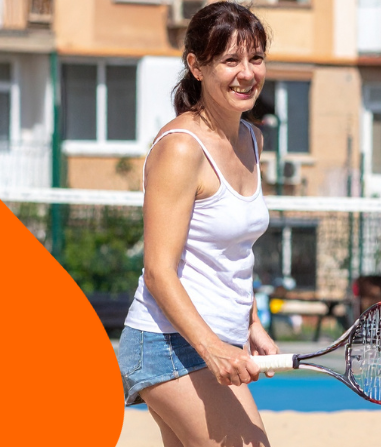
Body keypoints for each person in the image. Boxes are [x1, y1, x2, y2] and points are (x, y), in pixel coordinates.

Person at [116, 3, 277, 445]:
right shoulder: (181, 149)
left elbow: (232, 250)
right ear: (197, 67)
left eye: (256, 58)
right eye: (231, 60)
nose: (247, 73)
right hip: (166, 344)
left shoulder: (252, 139)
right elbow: (159, 270)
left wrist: (251, 324)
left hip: (219, 341)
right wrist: (212, 347)